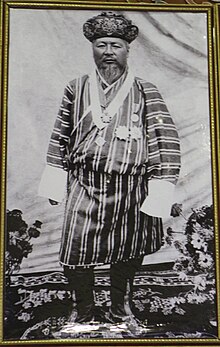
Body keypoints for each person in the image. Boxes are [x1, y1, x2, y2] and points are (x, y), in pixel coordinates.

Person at [38, 12, 181, 325]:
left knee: (129, 249)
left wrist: (162, 184)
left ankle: (122, 310)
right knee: (76, 248)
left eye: (115, 45)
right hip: (85, 183)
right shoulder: (76, 88)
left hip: (131, 186)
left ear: (127, 49)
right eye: (101, 44)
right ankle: (82, 311)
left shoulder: (146, 90)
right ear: (92, 48)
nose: (108, 51)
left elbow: (165, 139)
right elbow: (60, 134)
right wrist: (54, 179)